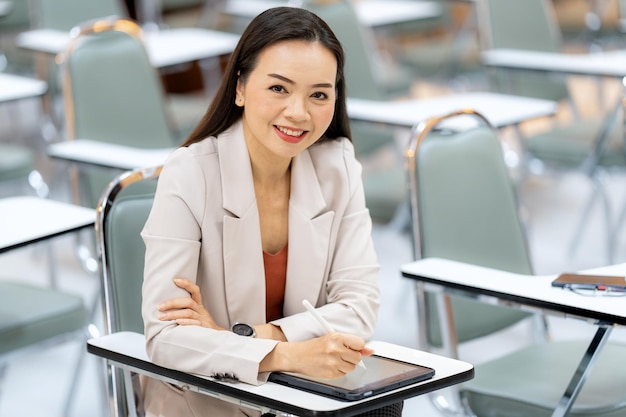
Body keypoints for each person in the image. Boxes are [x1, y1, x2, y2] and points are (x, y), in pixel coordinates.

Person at [141, 6, 402, 417]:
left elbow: (359, 307)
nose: (299, 112)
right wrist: (284, 355)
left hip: (299, 397)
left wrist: (248, 335)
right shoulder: (190, 172)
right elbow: (166, 337)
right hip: (207, 398)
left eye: (319, 94)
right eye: (279, 89)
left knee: (384, 404)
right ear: (240, 88)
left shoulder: (338, 164)